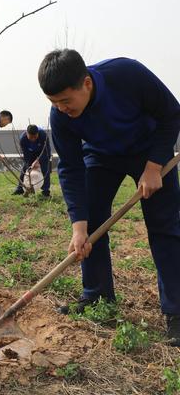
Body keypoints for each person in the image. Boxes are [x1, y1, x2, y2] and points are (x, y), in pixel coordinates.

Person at [37, 49, 180, 346]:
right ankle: (97, 296)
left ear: (86, 84)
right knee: (90, 225)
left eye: (66, 100)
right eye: (54, 103)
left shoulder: (127, 75)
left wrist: (154, 167)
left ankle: (176, 312)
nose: (61, 108)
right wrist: (79, 226)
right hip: (101, 156)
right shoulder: (60, 116)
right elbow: (71, 168)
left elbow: (171, 114)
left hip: (148, 149)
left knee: (164, 227)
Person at [12, 124, 52, 197]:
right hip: (30, 153)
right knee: (25, 169)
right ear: (27, 133)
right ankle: (20, 188)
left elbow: (47, 151)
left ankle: (46, 191)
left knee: (45, 169)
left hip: (42, 153)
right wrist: (30, 165)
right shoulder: (23, 139)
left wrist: (38, 161)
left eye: (35, 137)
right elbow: (26, 156)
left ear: (38, 134)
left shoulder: (43, 135)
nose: (33, 139)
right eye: (31, 137)